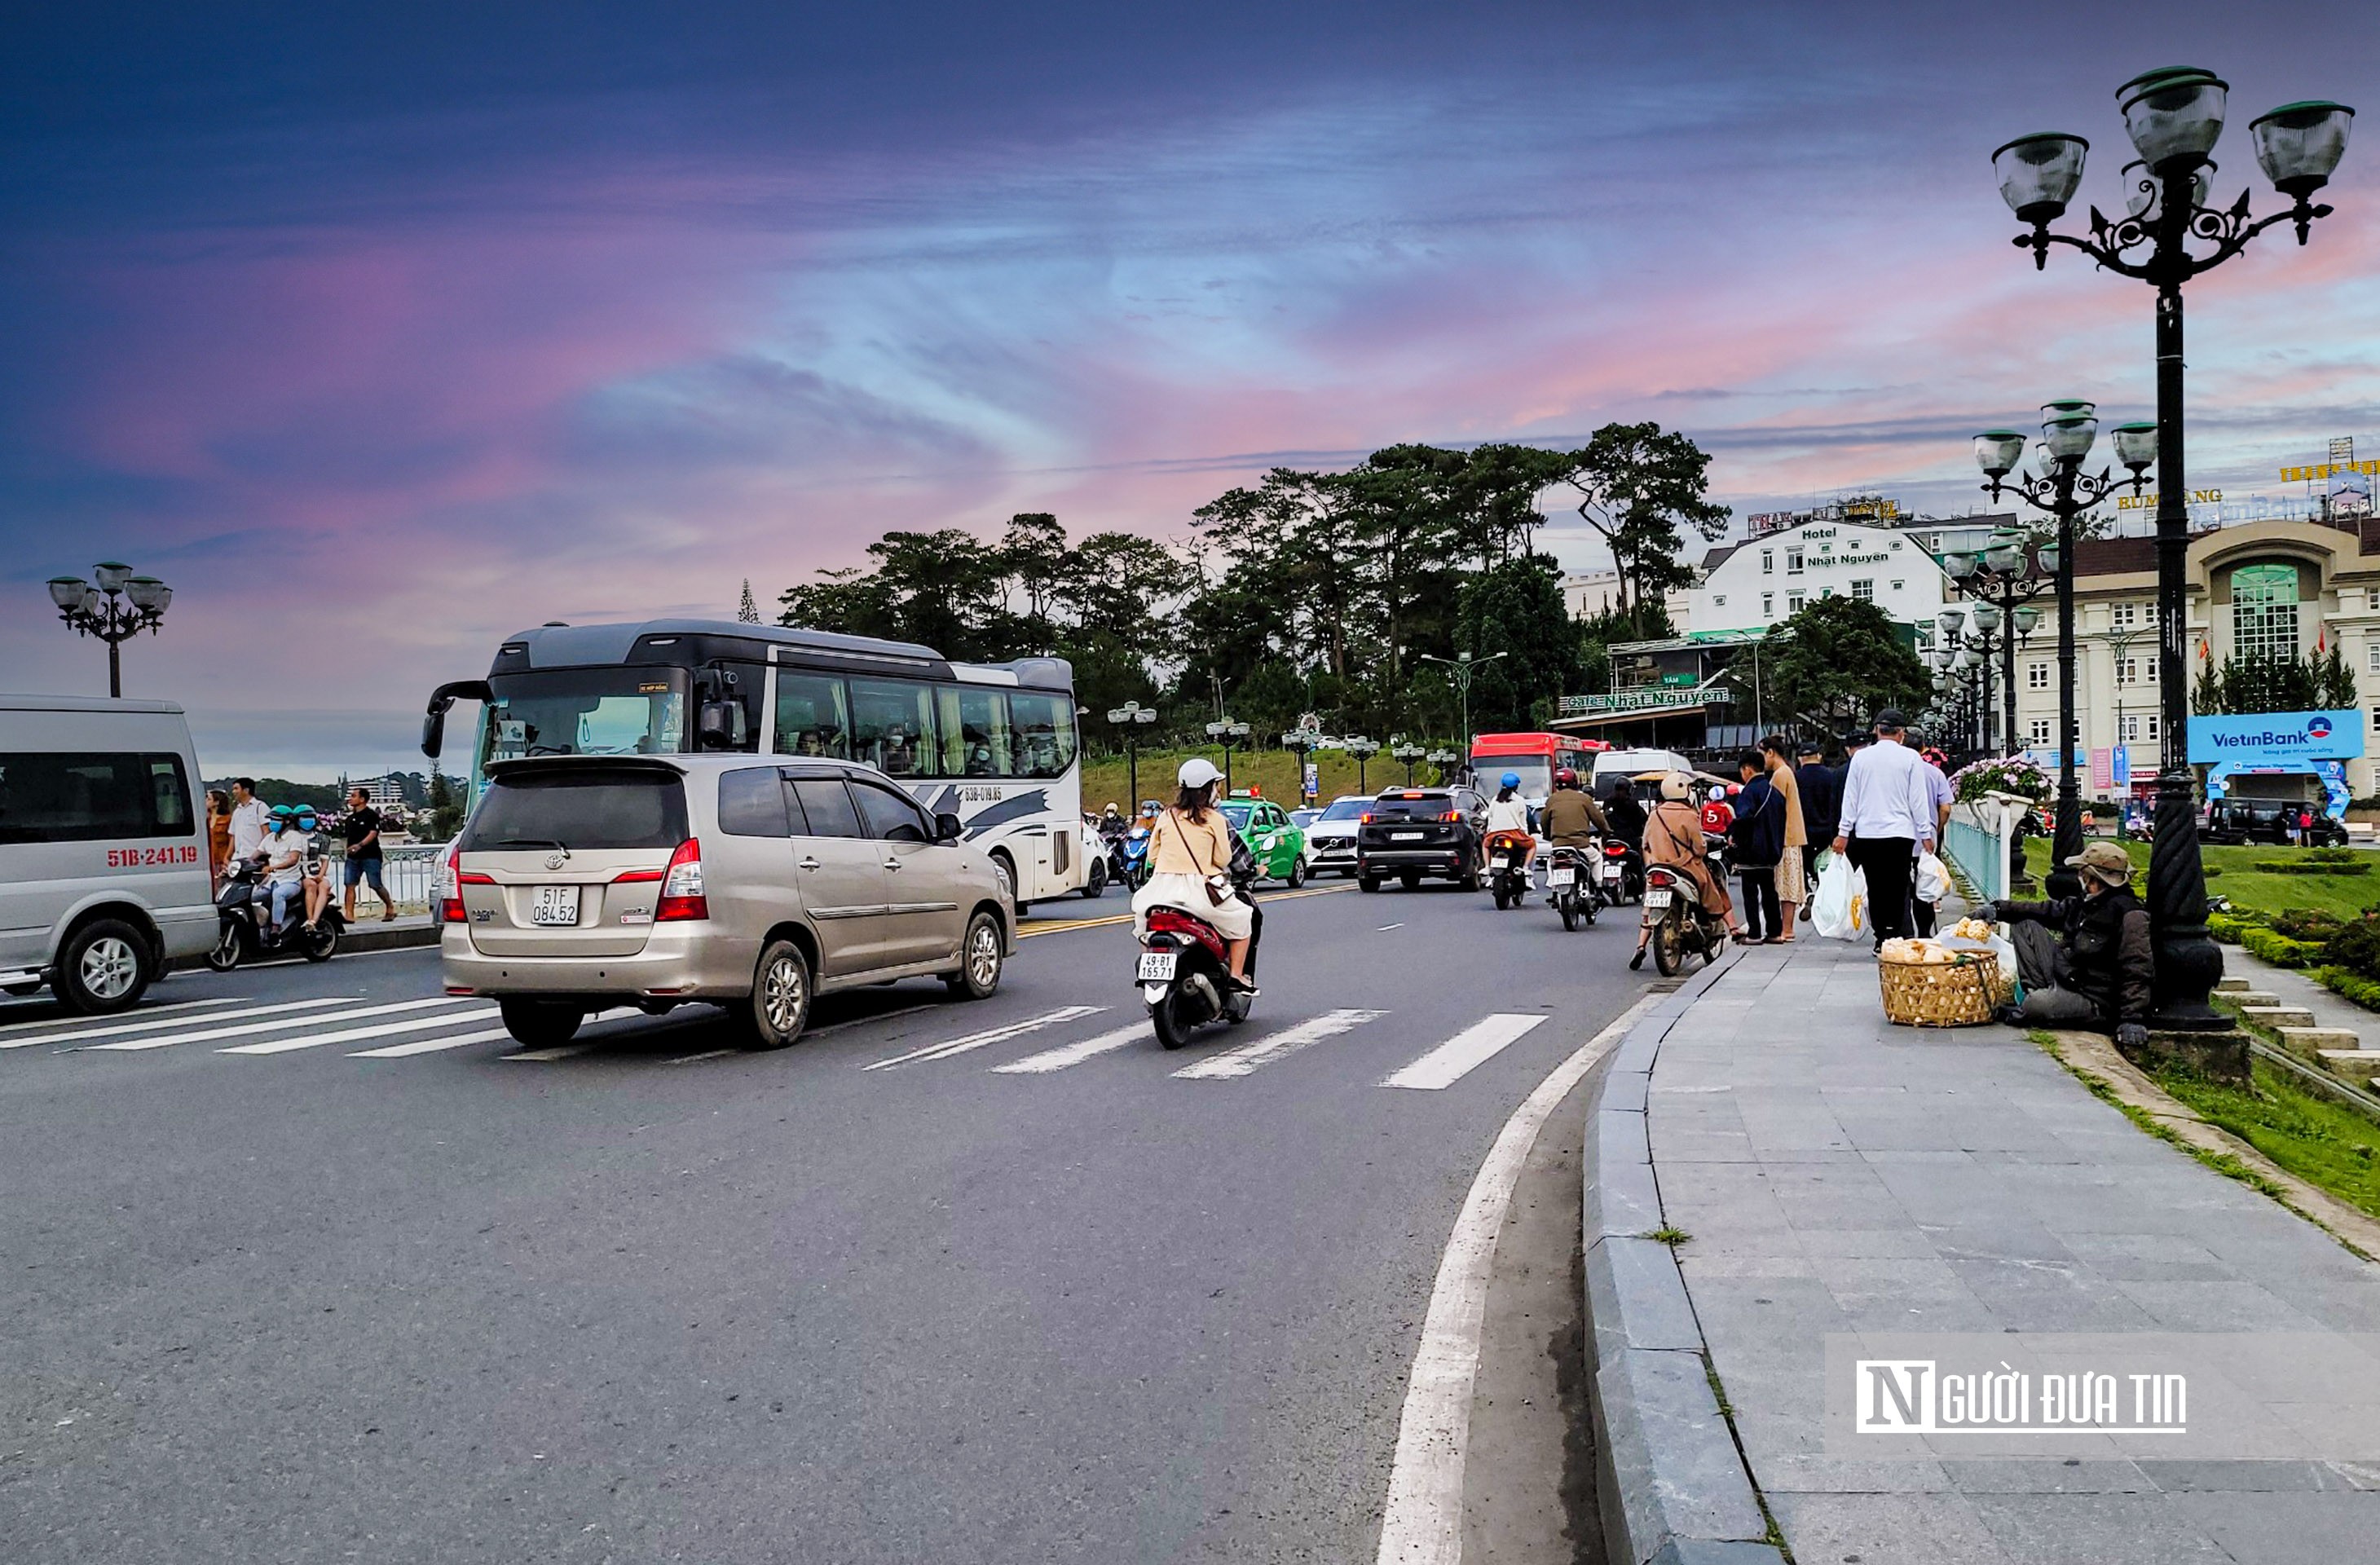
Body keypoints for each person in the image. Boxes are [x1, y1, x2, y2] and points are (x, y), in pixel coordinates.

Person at [1987, 841, 2152, 1047]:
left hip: (2094, 998)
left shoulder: (2130, 914)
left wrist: (2132, 1018)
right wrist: (1998, 910)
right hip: (2067, 975)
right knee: (2025, 923)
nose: (2079, 876)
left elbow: (2137, 967)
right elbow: (2043, 910)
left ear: (2092, 877)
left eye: (2082, 872)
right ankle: (2040, 996)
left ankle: (2037, 1004)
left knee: (2036, 1005)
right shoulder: (2086, 901)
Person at [1130, 758, 1257, 994]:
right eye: (1215, 786)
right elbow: (1222, 860)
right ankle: (1238, 976)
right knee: (1243, 918)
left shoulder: (1166, 816)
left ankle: (1149, 965)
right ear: (1208, 789)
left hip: (1159, 889)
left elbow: (1153, 857)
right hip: (1200, 892)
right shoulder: (1216, 820)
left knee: (1145, 929)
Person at [1831, 710, 1936, 949]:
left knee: (1875, 885)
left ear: (1877, 731)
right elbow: (1917, 800)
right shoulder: (1911, 758)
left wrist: (1843, 832)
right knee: (1899, 886)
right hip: (1901, 833)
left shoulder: (1861, 758)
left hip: (1869, 833)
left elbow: (1851, 798)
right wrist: (1925, 833)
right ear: (1901, 733)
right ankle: (1897, 933)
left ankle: (1881, 935)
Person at [1633, 771, 1734, 969]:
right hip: (1685, 867)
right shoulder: (1689, 815)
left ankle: (1640, 946)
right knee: (1711, 887)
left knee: (1648, 908)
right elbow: (1699, 847)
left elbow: (1645, 843)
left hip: (1658, 868)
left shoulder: (1655, 813)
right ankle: (1720, 922)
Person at [1729, 750, 1787, 942]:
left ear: (1747, 769)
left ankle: (1754, 933)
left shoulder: (1749, 792)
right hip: (1772, 851)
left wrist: (1733, 834)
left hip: (1751, 851)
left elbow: (1744, 818)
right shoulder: (1775, 792)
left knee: (1751, 893)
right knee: (1770, 892)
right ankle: (1775, 932)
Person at [1756, 736, 1805, 939]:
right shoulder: (1787, 772)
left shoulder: (1779, 775)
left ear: (1770, 752)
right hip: (1792, 834)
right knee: (1789, 883)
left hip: (1784, 836)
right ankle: (1788, 928)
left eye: (1761, 754)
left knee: (1785, 885)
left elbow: (1774, 809)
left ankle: (1786, 928)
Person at [1912, 748, 1955, 937]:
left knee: (1900, 888)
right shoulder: (1935, 773)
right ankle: (1924, 933)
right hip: (1927, 840)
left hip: (1897, 835)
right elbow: (1945, 808)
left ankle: (1900, 932)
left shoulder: (1898, 771)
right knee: (1925, 887)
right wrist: (1935, 830)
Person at [340, 786, 396, 923]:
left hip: (370, 855)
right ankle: (349, 914)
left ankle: (389, 906)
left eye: (354, 796)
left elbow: (373, 833)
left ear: (362, 799)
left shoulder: (371, 815)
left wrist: (359, 845)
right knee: (350, 884)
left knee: (375, 884)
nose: (350, 799)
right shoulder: (350, 818)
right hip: (353, 857)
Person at [257, 805, 309, 939]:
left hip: (290, 881)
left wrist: (274, 867)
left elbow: (293, 859)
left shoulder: (295, 837)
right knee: (254, 895)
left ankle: (276, 928)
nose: (273, 823)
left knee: (278, 894)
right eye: (272, 820)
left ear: (286, 821)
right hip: (271, 880)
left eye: (277, 820)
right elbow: (256, 854)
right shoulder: (269, 838)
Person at [1539, 766, 1609, 847]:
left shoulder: (1551, 800)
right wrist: (1607, 832)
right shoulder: (1584, 799)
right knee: (1597, 859)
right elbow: (1599, 820)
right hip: (1581, 845)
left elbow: (1544, 821)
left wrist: (1548, 836)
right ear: (1574, 782)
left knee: (1550, 860)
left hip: (1558, 846)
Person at [1483, 771, 1536, 873]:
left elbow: (1490, 818)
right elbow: (1523, 822)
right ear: (1516, 787)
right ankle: (1525, 868)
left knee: (1485, 845)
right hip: (1514, 833)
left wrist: (1489, 831)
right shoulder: (1519, 800)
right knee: (1532, 845)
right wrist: (1525, 834)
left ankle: (1487, 867)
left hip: (1495, 833)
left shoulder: (1495, 800)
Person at [297, 807, 337, 930]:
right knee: (311, 886)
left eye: (310, 818)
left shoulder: (322, 838)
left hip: (315, 870)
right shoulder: (293, 837)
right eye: (304, 818)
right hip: (300, 872)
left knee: (324, 886)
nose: (308, 821)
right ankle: (309, 918)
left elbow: (325, 860)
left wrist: (321, 875)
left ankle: (314, 919)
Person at [227, 777, 271, 866]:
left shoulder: (260, 807)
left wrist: (260, 852)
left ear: (246, 790)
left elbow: (266, 832)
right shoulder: (237, 811)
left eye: (236, 789)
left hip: (254, 857)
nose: (234, 792)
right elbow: (233, 836)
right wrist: (227, 857)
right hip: (237, 857)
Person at [1602, 779, 1646, 850]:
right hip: (1629, 839)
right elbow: (1640, 819)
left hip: (1611, 837)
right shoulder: (1632, 803)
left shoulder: (1608, 801)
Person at [205, 788, 234, 890]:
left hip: (222, 859)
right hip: (209, 859)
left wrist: (228, 858)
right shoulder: (205, 819)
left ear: (217, 802)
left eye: (208, 799)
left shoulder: (227, 819)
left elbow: (232, 840)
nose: (206, 801)